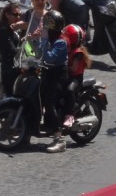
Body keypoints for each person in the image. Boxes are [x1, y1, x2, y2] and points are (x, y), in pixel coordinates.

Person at [41, 10, 69, 153]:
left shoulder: (60, 42)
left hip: (58, 75)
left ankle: (60, 138)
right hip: (48, 72)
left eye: (46, 26)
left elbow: (50, 57)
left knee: (50, 103)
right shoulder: (50, 39)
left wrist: (44, 40)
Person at [0, 1, 26, 95]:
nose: (18, 17)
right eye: (15, 14)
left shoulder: (11, 28)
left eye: (19, 14)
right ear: (7, 15)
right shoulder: (4, 30)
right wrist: (26, 48)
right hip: (9, 69)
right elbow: (12, 50)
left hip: (14, 67)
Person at [61, 24, 91, 131]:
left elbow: (73, 69)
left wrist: (62, 66)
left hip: (75, 78)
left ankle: (69, 115)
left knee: (69, 90)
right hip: (67, 76)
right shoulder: (68, 48)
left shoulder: (78, 52)